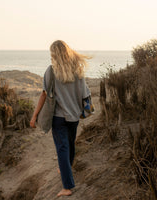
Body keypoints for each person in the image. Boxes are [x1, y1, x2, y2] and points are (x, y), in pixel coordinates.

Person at [30, 40, 91, 197]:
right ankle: (66, 169)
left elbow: (44, 94)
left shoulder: (51, 71)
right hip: (74, 116)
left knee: (62, 148)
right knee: (70, 145)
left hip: (58, 117)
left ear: (54, 54)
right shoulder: (78, 70)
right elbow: (85, 93)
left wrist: (35, 115)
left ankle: (67, 187)